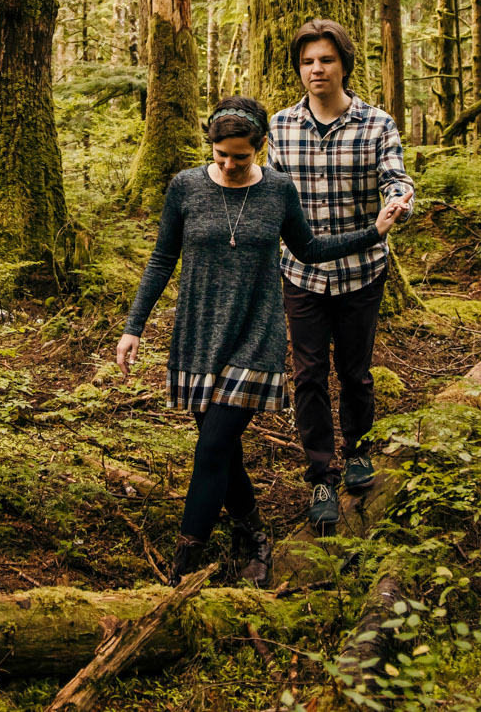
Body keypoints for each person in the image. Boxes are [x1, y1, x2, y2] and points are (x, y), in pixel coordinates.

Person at [117, 97, 413, 583]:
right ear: (210, 147)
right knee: (222, 448)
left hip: (257, 334)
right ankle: (251, 530)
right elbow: (160, 259)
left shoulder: (278, 189)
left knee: (212, 449)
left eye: (241, 155)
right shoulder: (185, 187)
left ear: (261, 148)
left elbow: (310, 250)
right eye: (221, 155)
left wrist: (373, 232)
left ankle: (180, 569)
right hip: (198, 334)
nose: (230, 165)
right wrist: (134, 327)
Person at [267, 18, 416, 530]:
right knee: (308, 375)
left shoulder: (377, 124)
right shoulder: (281, 126)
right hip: (301, 275)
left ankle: (356, 450)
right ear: (298, 69)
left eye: (326, 59)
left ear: (344, 64)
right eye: (308, 61)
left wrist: (400, 201)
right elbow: (271, 196)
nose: (316, 70)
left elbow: (397, 177)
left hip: (361, 271)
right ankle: (320, 476)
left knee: (355, 370)